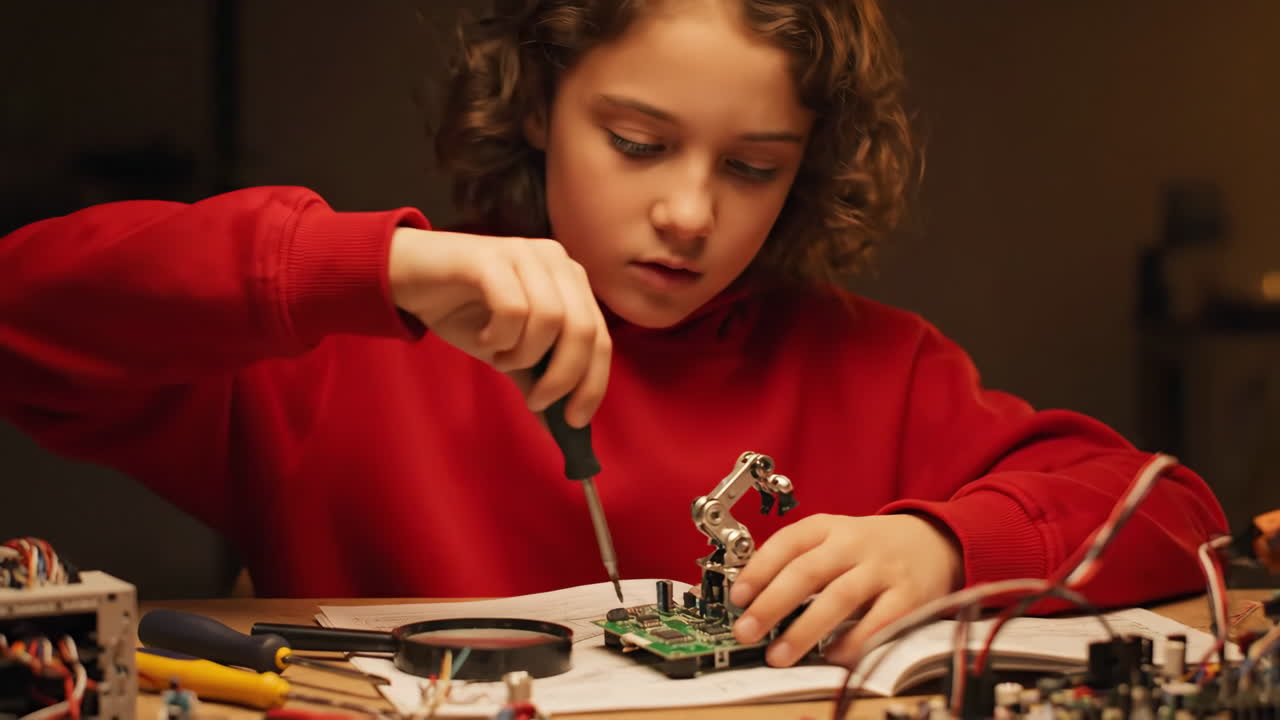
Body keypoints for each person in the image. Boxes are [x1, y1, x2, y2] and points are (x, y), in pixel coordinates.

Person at [0, 0, 1225, 669]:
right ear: (537, 104)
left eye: (752, 168)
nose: (687, 212)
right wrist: (367, 263)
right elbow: (22, 320)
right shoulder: (339, 349)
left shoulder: (880, 367)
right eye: (636, 143)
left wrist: (943, 545)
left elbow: (1171, 506)